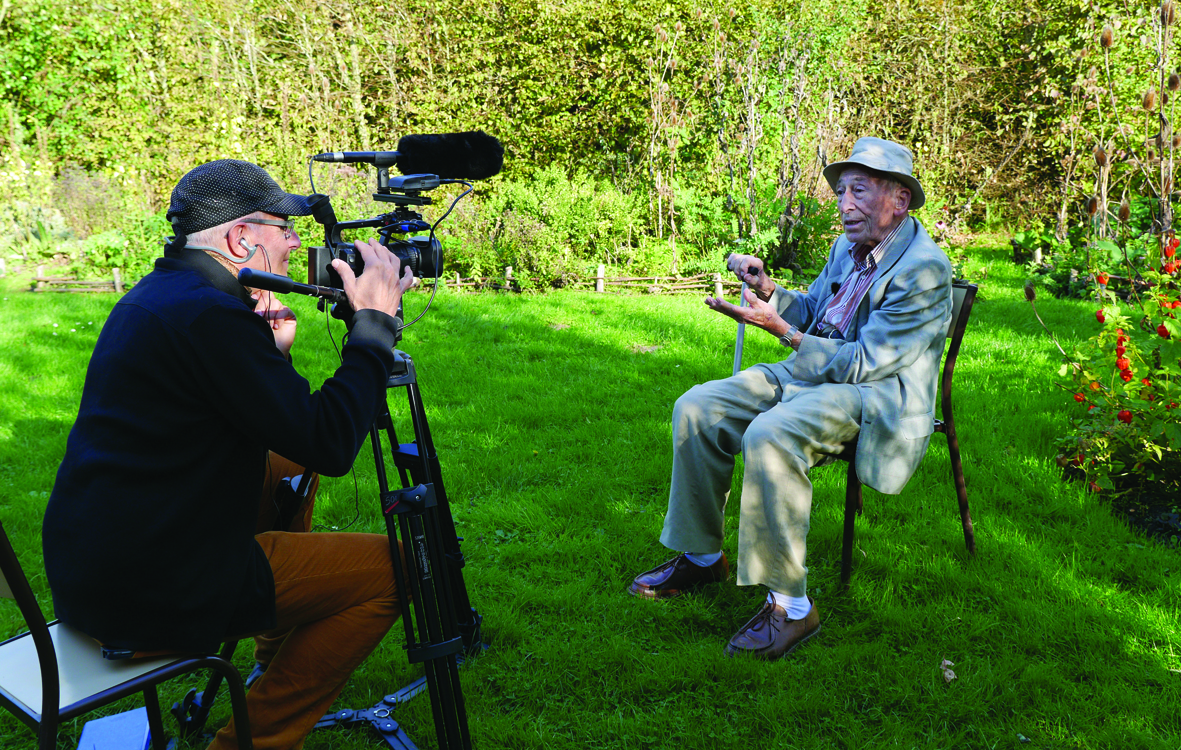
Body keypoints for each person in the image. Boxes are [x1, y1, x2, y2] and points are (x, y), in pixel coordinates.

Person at [42, 159, 416, 750]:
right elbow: (331, 441)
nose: (296, 243)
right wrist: (373, 326)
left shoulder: (164, 294)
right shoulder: (211, 317)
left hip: (100, 568)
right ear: (241, 238)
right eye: (283, 229)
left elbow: (277, 427)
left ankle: (270, 651)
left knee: (290, 466)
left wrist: (273, 353)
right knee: (400, 567)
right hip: (155, 593)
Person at [628, 137, 953, 660]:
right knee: (698, 407)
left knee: (771, 434)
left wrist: (783, 332)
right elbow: (817, 311)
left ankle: (792, 606)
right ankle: (703, 558)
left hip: (876, 393)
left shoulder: (924, 268)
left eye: (859, 191)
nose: (844, 204)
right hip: (818, 372)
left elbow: (869, 362)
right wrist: (770, 291)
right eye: (841, 191)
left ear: (899, 199)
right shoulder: (848, 248)